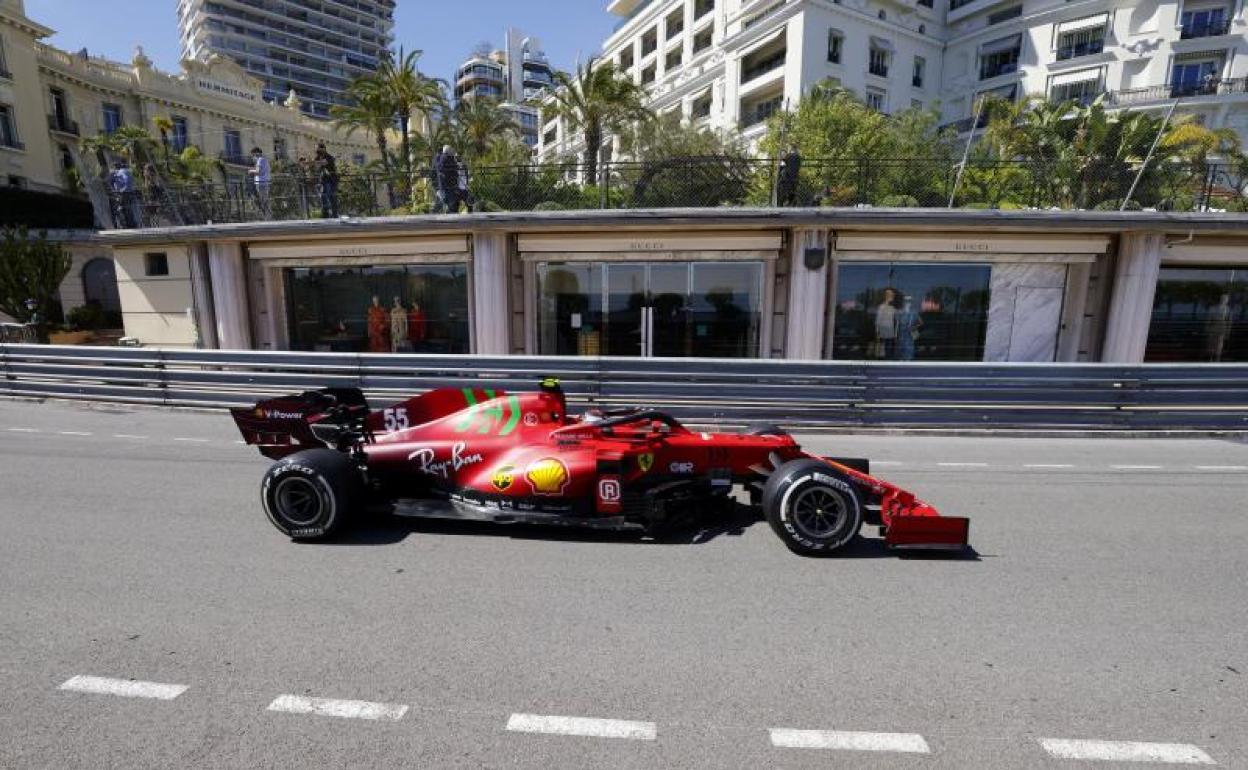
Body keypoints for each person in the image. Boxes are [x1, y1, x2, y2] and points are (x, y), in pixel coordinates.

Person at [109, 161, 138, 228]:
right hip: (130, 192)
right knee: (127, 208)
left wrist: (122, 189)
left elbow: (126, 180)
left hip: (123, 193)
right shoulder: (127, 171)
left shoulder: (121, 172)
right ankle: (131, 223)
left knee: (121, 208)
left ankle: (126, 224)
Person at [895, 294, 923, 361]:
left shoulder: (914, 312)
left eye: (909, 301)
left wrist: (914, 327)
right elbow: (897, 324)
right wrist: (895, 335)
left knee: (909, 352)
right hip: (901, 335)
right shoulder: (899, 312)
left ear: (911, 302)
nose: (907, 303)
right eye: (906, 301)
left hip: (909, 335)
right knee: (900, 352)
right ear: (903, 302)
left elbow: (921, 322)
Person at [872, 287, 899, 359]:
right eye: (891, 295)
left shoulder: (893, 308)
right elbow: (878, 321)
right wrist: (877, 333)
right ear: (886, 296)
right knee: (882, 352)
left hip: (890, 333)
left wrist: (895, 334)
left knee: (888, 352)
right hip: (882, 333)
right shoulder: (881, 307)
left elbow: (897, 321)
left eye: (893, 295)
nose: (892, 296)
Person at [434, 144, 460, 213]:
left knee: (443, 199)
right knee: (450, 200)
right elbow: (442, 168)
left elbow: (440, 168)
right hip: (448, 183)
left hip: (445, 182)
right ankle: (448, 212)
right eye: (450, 149)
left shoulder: (442, 157)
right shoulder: (446, 157)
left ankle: (437, 211)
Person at [315, 143, 339, 218]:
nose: (317, 151)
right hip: (324, 180)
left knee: (331, 196)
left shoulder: (329, 157)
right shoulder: (318, 157)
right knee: (324, 196)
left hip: (331, 179)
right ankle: (326, 214)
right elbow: (316, 166)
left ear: (324, 149)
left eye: (319, 149)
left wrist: (313, 163)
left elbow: (324, 163)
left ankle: (334, 214)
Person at [247, 146, 271, 217]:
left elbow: (258, 171)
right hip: (265, 182)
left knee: (262, 200)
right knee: (265, 199)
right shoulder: (265, 160)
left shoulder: (260, 160)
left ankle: (266, 216)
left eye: (253, 155)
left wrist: (250, 171)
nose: (253, 157)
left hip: (261, 183)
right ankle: (267, 215)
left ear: (256, 153)